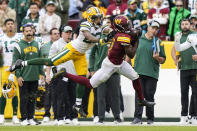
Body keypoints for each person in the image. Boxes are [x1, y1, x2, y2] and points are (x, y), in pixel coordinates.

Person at [9, 6, 107, 117]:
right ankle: (21, 63)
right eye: (97, 18)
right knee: (50, 62)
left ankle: (78, 105)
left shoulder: (101, 26)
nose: (99, 20)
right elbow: (89, 37)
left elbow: (108, 30)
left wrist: (112, 33)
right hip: (72, 49)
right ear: (90, 18)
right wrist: (101, 39)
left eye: (100, 17)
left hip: (81, 54)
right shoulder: (86, 24)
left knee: (83, 80)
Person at [49, 15, 156, 108]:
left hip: (120, 62)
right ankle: (65, 73)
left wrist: (133, 35)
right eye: (127, 25)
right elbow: (131, 55)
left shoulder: (120, 32)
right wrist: (136, 40)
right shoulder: (121, 37)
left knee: (135, 77)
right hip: (110, 65)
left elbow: (128, 35)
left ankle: (141, 100)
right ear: (121, 27)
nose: (129, 26)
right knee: (90, 84)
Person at [89, 16, 124, 124]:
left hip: (114, 71)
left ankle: (117, 117)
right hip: (101, 70)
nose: (107, 26)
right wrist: (92, 68)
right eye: (105, 24)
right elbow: (92, 54)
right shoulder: (99, 39)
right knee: (100, 96)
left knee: (115, 95)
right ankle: (100, 118)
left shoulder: (118, 38)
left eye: (109, 24)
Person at [132, 20, 166, 125]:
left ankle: (150, 119)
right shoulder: (138, 39)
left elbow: (163, 59)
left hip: (152, 73)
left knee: (149, 95)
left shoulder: (158, 42)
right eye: (153, 27)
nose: (154, 30)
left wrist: (157, 58)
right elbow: (130, 53)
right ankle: (137, 118)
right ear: (148, 27)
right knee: (138, 95)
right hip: (138, 72)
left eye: (156, 29)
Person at [12, 24, 45, 125]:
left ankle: (31, 117)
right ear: (23, 33)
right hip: (23, 77)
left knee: (32, 98)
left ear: (33, 31)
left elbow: (40, 61)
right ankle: (23, 118)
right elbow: (15, 63)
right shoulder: (18, 45)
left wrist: (42, 73)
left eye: (30, 31)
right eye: (26, 31)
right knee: (24, 99)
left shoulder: (38, 44)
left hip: (34, 77)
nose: (29, 33)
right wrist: (18, 76)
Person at [47, 26, 78, 125]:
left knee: (72, 97)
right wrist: (48, 74)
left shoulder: (75, 44)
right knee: (60, 97)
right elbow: (49, 61)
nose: (69, 34)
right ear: (62, 33)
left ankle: (71, 117)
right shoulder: (56, 45)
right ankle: (59, 117)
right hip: (60, 74)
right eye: (67, 32)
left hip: (73, 74)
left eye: (70, 32)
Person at [174, 19, 197, 125]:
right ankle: (184, 116)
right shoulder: (179, 36)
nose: (184, 26)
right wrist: (176, 60)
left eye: (186, 24)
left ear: (190, 25)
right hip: (184, 69)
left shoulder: (195, 35)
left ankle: (194, 116)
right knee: (184, 93)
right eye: (182, 24)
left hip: (195, 68)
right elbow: (176, 49)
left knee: (195, 93)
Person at [0, 18, 20, 124]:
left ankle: (16, 116)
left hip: (16, 67)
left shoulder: (19, 37)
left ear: (15, 25)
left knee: (15, 92)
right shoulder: (1, 38)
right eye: (8, 24)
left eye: (12, 23)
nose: (10, 25)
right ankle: (1, 115)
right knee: (3, 92)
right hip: (5, 67)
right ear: (5, 26)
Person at [41, 28, 60, 123]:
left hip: (59, 72)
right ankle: (46, 114)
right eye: (55, 33)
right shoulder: (44, 47)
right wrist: (43, 73)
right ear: (51, 35)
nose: (57, 35)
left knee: (59, 95)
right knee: (48, 94)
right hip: (48, 72)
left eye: (58, 33)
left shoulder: (63, 45)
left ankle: (58, 115)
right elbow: (41, 59)